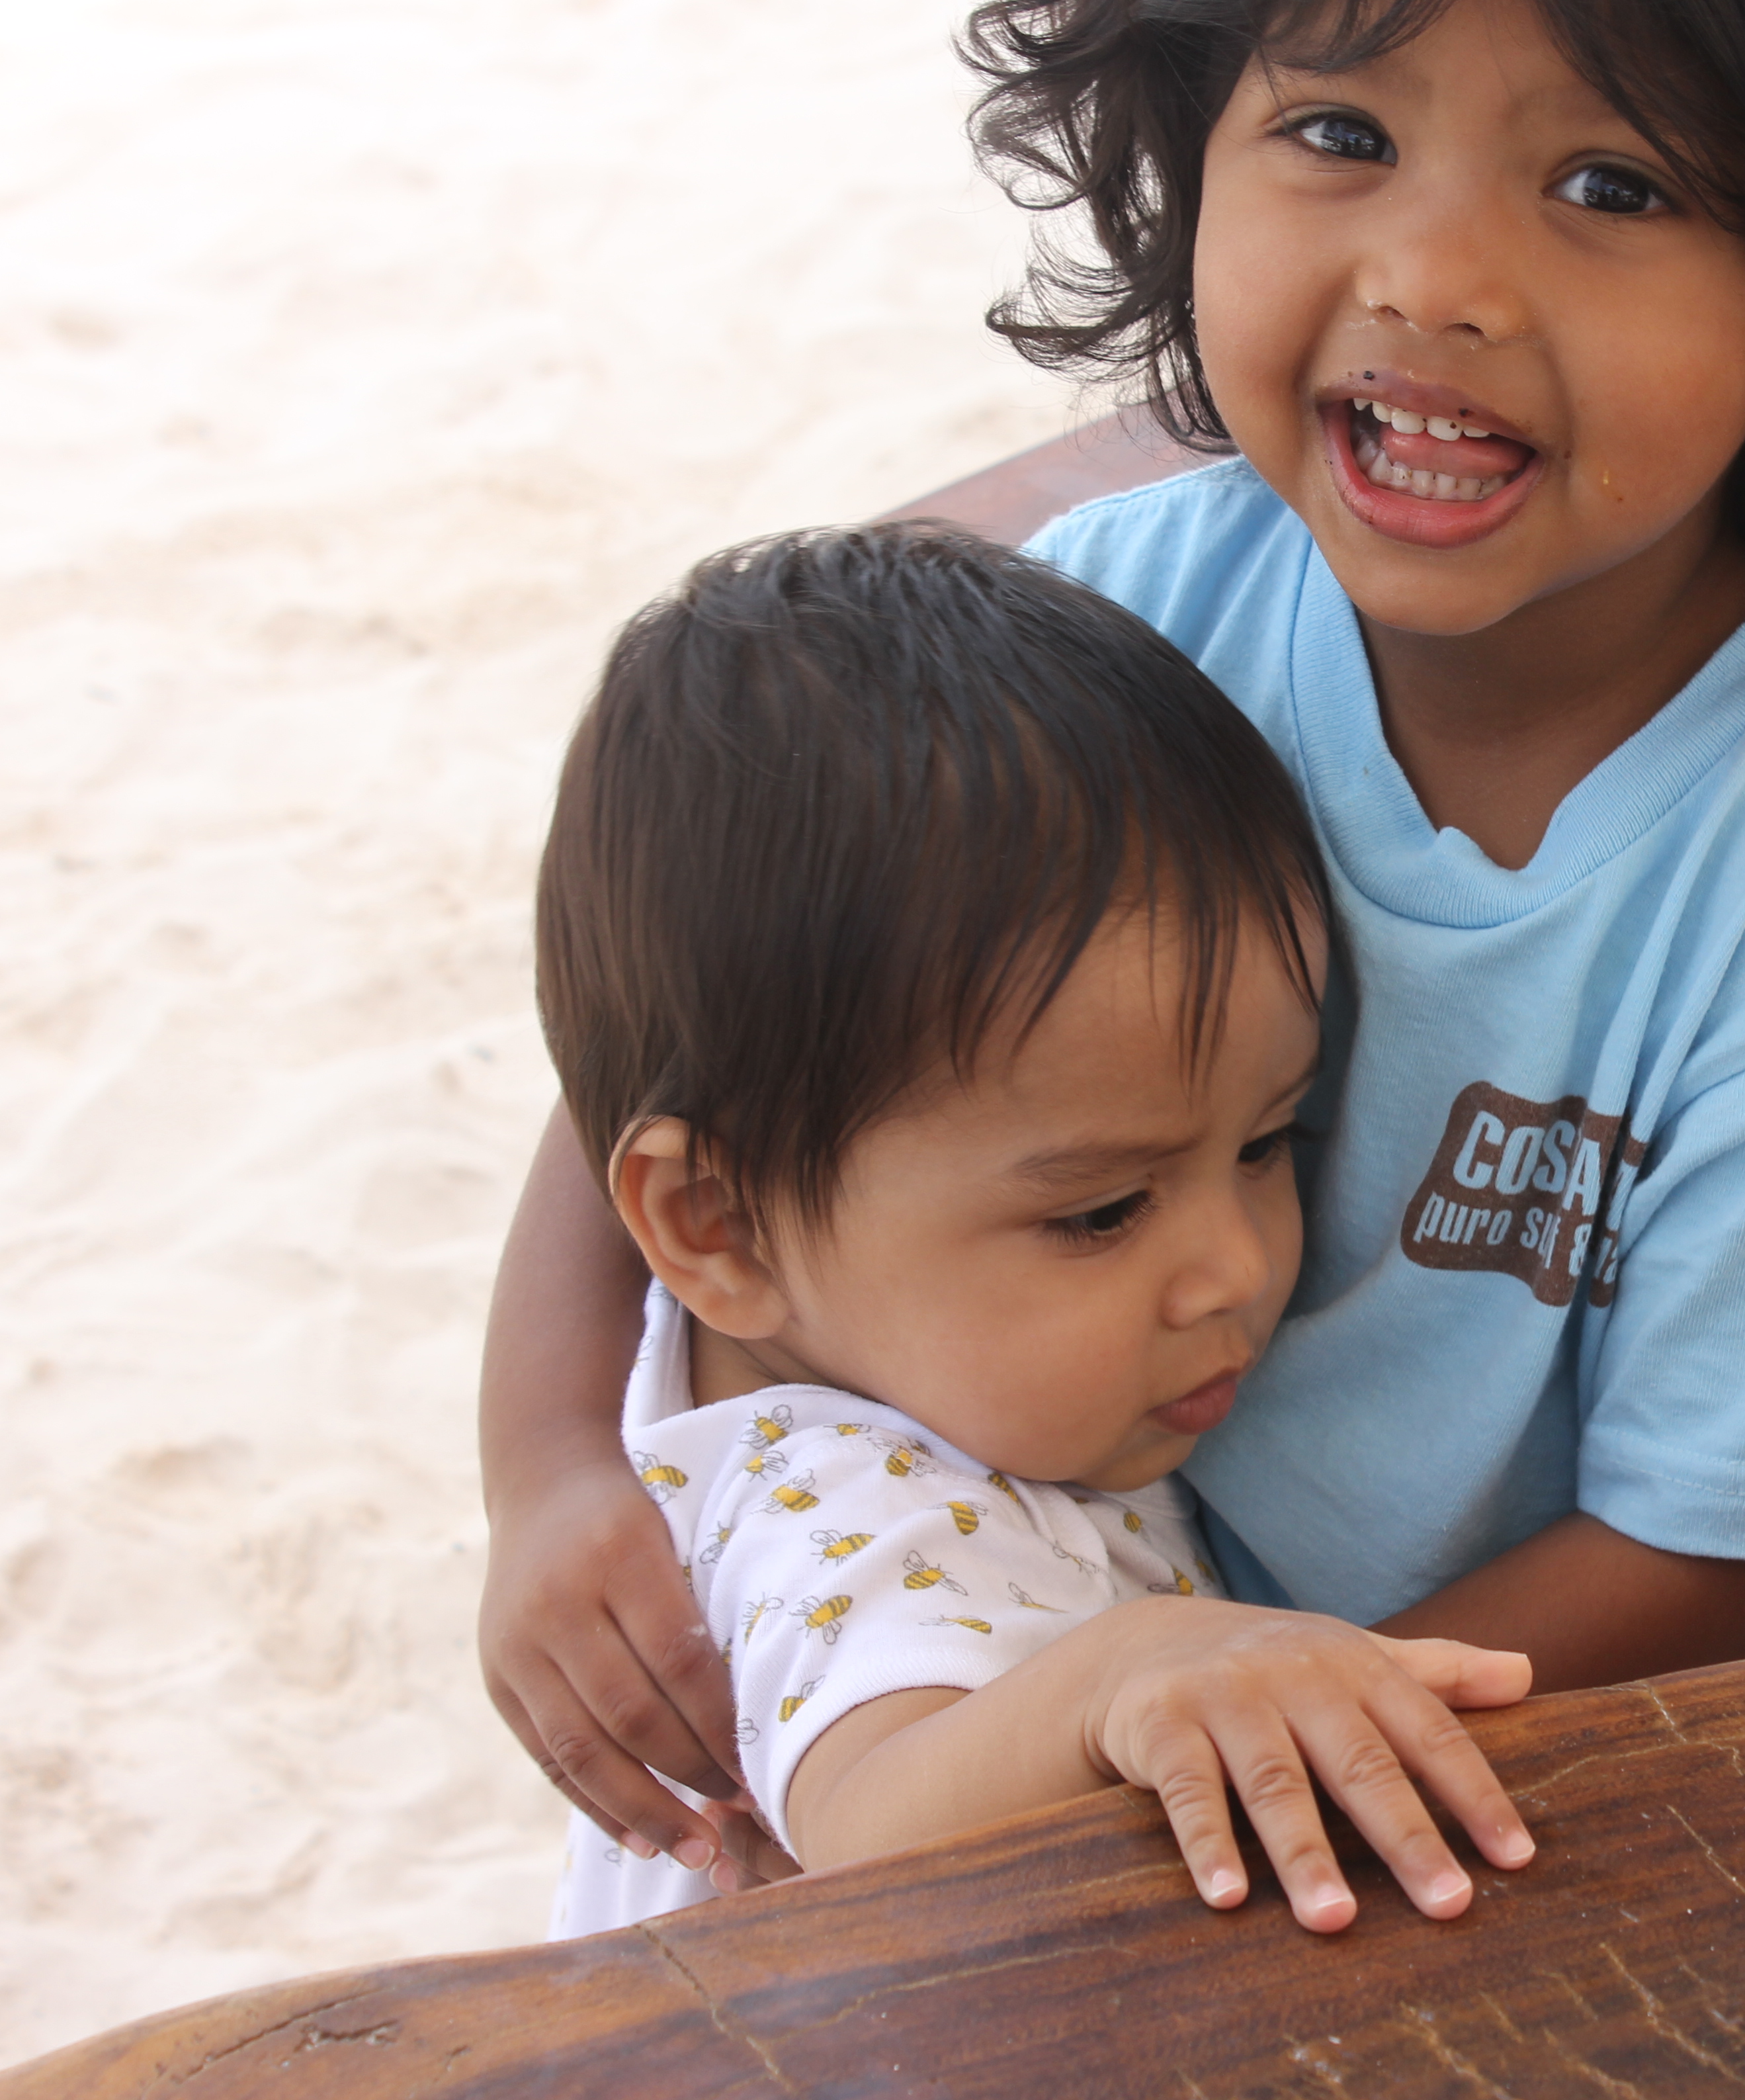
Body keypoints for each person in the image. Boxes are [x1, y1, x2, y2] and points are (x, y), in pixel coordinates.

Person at [480, 0, 1745, 1882]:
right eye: (1343, 132)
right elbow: (716, 1002)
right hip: (1087, 1674)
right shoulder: (1142, 608)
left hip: (1560, 1775)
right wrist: (553, 1460)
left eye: (1609, 183)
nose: (1434, 279)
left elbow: (1705, 1552)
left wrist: (1268, 1730)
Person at [532, 523, 1534, 1934]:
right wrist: (1125, 1672)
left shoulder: (842, 1302)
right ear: (717, 1227)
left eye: (1265, 1144)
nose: (1237, 1268)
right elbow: (870, 1824)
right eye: (1103, 1210)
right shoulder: (845, 1506)